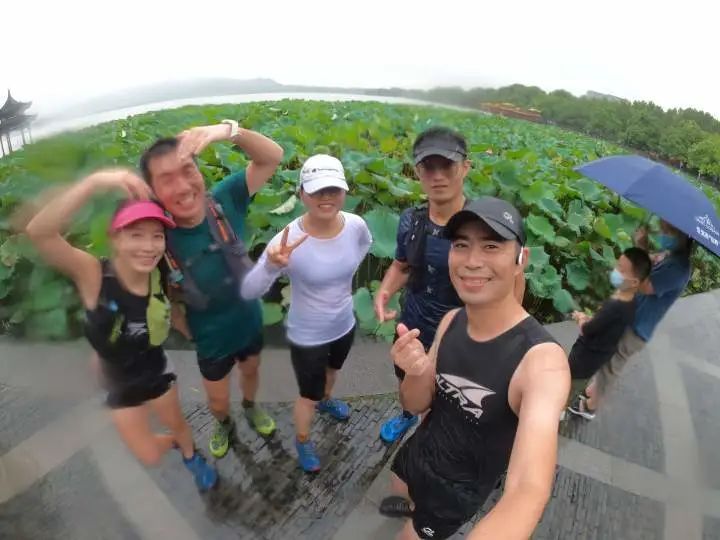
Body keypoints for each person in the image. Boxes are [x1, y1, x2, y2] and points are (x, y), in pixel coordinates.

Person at [387, 197, 569, 540]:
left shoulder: (542, 362)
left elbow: (528, 489)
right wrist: (414, 370)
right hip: (417, 456)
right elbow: (414, 404)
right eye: (461, 245)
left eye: (491, 246)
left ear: (520, 260)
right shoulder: (451, 320)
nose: (472, 261)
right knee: (398, 490)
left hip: (456, 491)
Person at [25, 169, 218, 491]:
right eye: (136, 234)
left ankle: (189, 454)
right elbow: (39, 233)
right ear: (115, 237)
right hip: (117, 380)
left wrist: (199, 337)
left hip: (156, 370)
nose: (148, 246)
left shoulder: (159, 275)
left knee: (178, 424)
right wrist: (93, 182)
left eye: (157, 236)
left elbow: (168, 313)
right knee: (148, 455)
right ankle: (170, 442)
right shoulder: (93, 275)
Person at [376, 128, 524, 517]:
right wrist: (385, 291)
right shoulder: (411, 219)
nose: (437, 175)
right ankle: (409, 416)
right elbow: (402, 264)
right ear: (418, 172)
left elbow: (514, 279)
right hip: (413, 323)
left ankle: (428, 460)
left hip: (461, 330)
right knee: (410, 380)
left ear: (466, 168)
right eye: (428, 167)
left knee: (444, 408)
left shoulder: (483, 225)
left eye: (447, 165)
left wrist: (506, 337)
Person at [139, 120, 284, 459]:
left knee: (251, 373)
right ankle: (224, 423)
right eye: (166, 179)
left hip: (249, 320)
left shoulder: (226, 199)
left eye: (187, 170)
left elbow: (272, 157)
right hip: (209, 336)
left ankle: (250, 406)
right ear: (152, 193)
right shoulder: (154, 237)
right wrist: (178, 320)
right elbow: (153, 290)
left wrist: (226, 131)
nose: (183, 185)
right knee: (217, 400)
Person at [241, 154, 372, 472]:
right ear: (301, 193)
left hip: (344, 323)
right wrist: (272, 265)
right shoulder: (287, 240)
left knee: (331, 374)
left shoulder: (356, 226)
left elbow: (364, 247)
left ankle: (327, 398)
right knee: (307, 397)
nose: (326, 197)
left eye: (333, 189)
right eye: (316, 190)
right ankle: (302, 439)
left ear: (344, 191)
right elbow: (249, 291)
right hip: (308, 334)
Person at [577, 218, 692, 415]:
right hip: (631, 317)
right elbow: (646, 267)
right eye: (663, 229)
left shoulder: (678, 269)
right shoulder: (670, 256)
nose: (663, 235)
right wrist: (643, 246)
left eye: (668, 232)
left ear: (683, 237)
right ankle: (595, 390)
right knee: (608, 356)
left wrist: (632, 266)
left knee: (612, 366)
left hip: (638, 328)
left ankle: (591, 407)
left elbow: (645, 285)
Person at [566, 247, 652, 419]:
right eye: (617, 265)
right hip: (601, 353)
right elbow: (605, 324)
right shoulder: (631, 301)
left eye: (621, 270)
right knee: (577, 380)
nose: (616, 271)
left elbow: (588, 330)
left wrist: (582, 318)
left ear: (634, 282)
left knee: (569, 383)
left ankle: (558, 411)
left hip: (586, 355)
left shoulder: (614, 307)